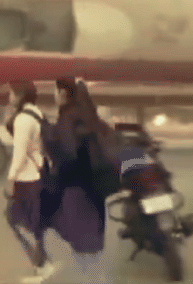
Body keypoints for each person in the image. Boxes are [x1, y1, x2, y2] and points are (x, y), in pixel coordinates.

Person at [43, 77, 118, 284]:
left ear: (64, 94)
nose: (54, 96)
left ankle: (95, 280)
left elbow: (68, 153)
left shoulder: (68, 117)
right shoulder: (89, 115)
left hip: (76, 187)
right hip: (96, 186)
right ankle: (98, 278)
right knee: (93, 242)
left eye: (56, 92)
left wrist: (49, 138)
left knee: (82, 243)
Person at [4, 81, 56, 284]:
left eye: (10, 93)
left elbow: (20, 154)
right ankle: (42, 264)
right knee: (35, 224)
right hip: (39, 173)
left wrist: (10, 179)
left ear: (19, 96)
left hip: (27, 178)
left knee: (13, 219)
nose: (8, 97)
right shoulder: (35, 113)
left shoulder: (23, 120)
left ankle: (42, 265)